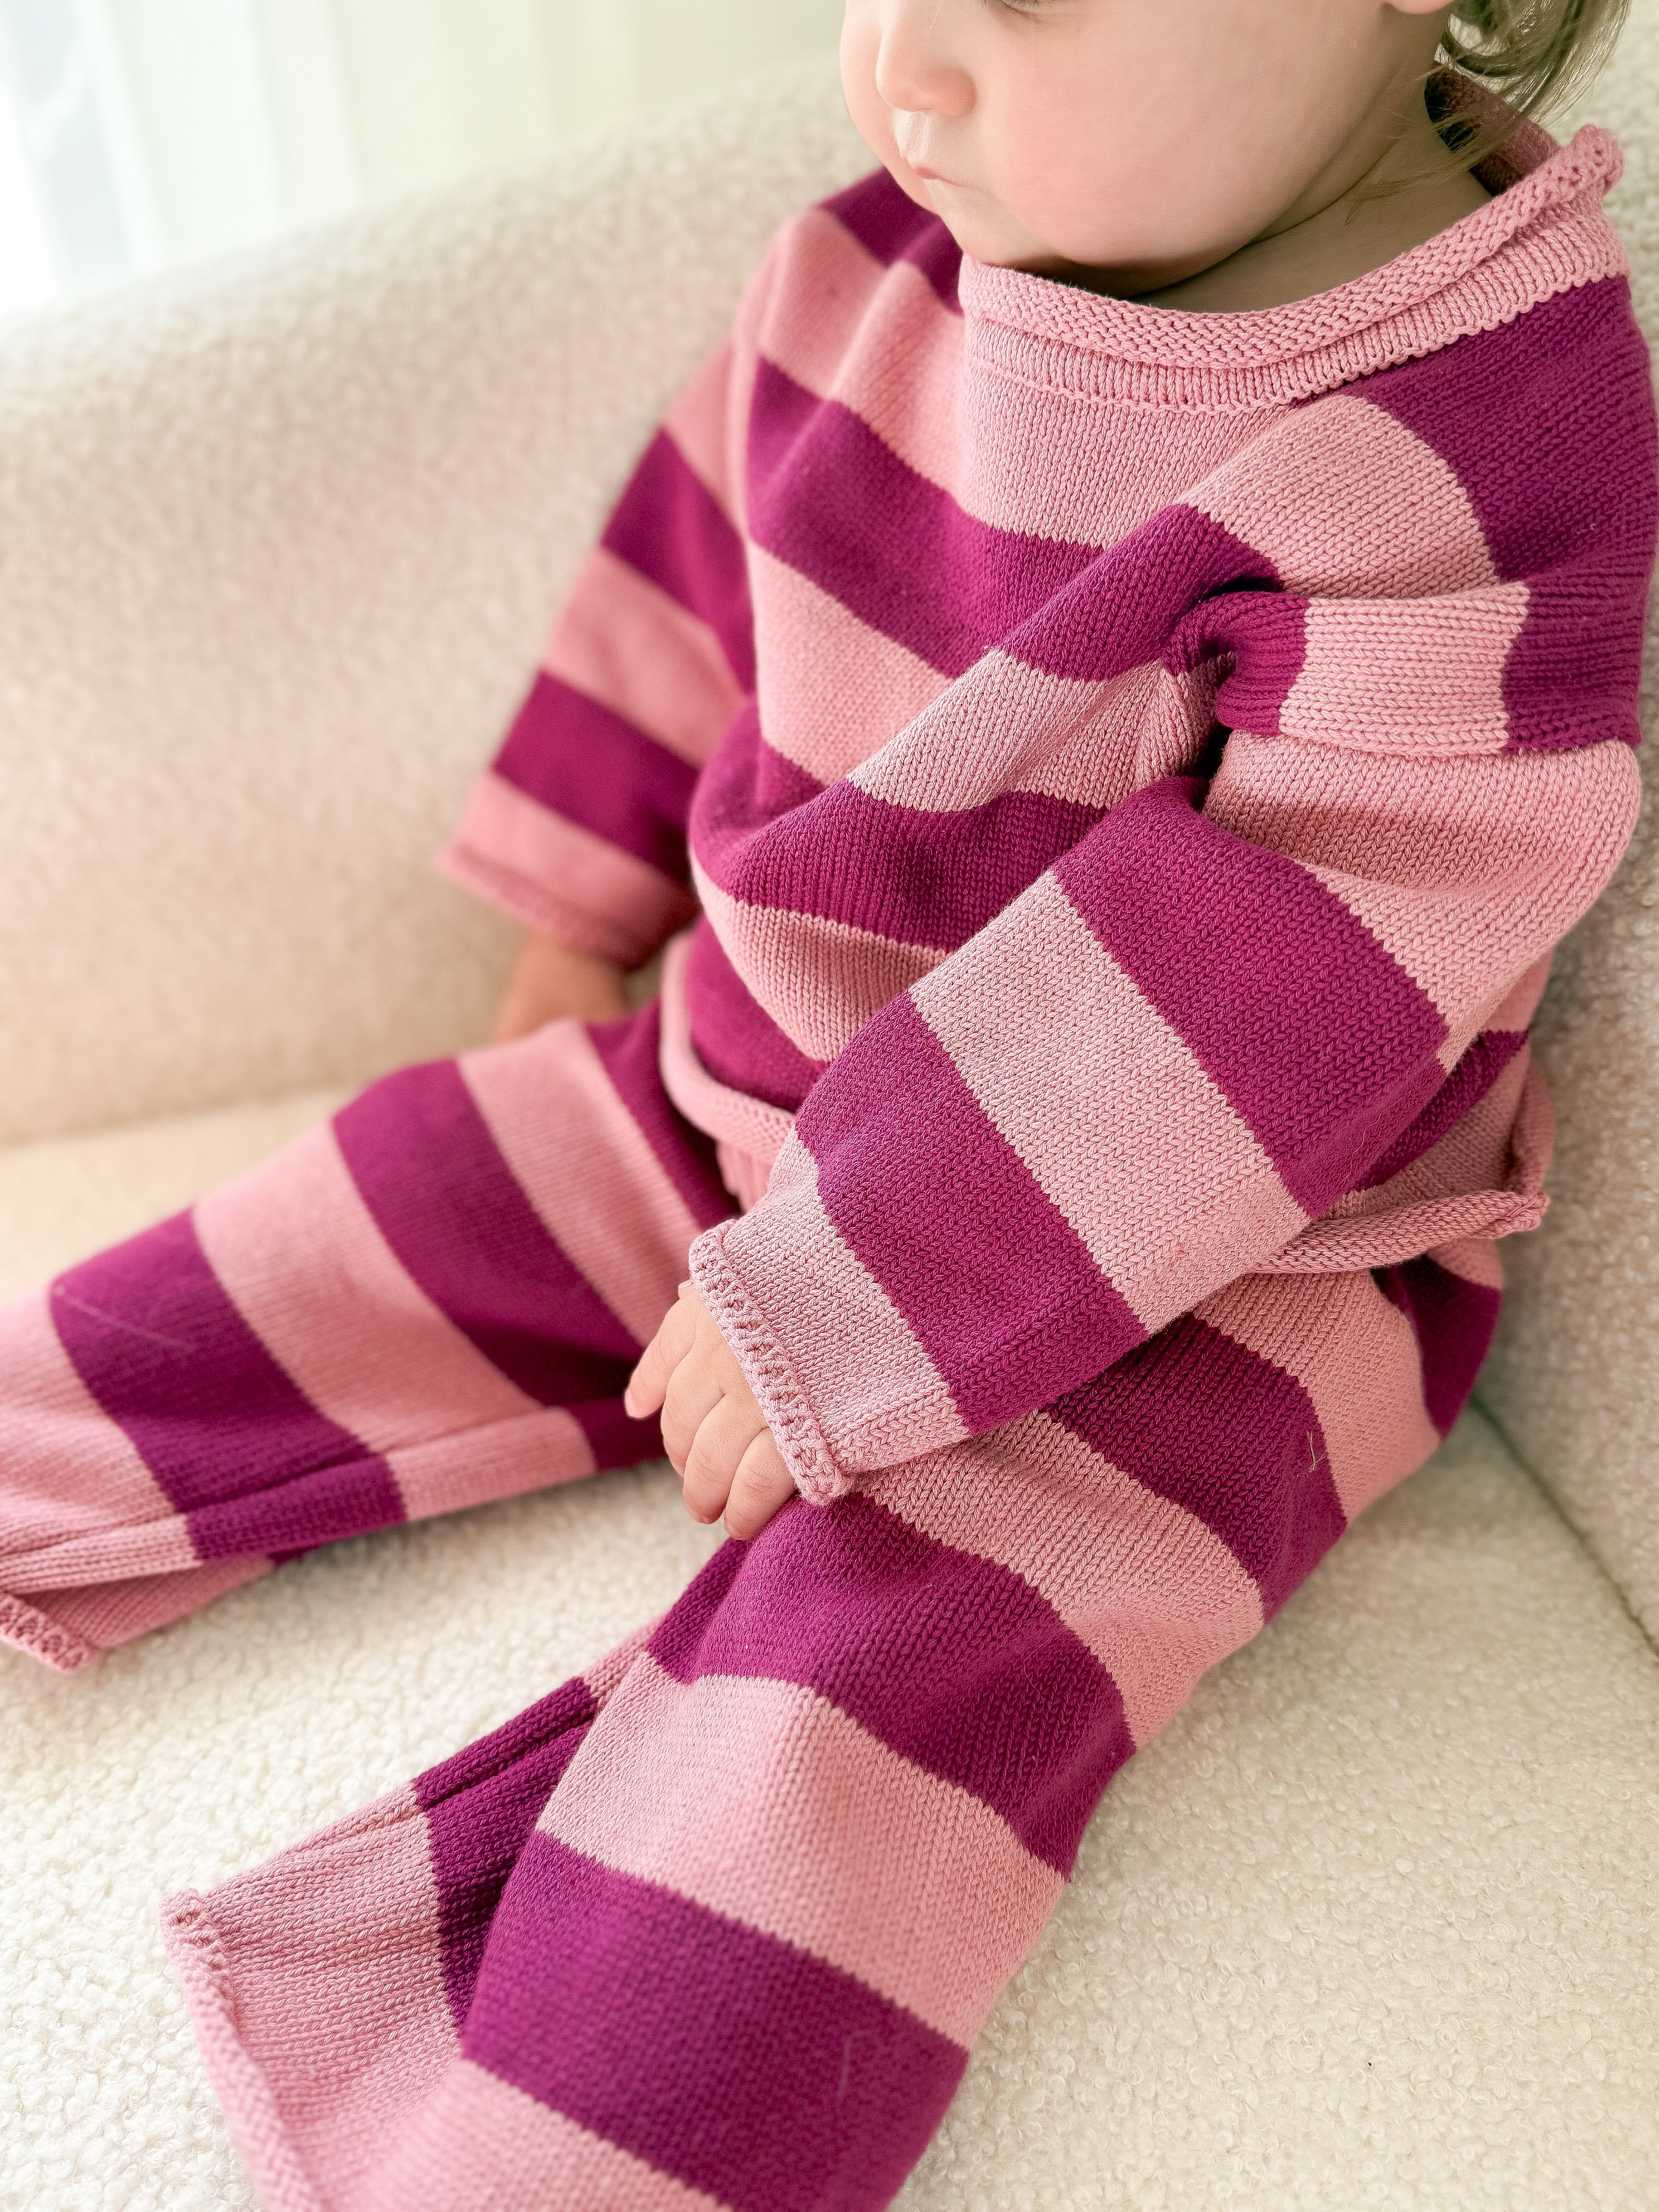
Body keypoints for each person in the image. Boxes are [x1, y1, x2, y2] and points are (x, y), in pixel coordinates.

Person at [4, 2, 1652, 2205]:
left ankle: (576, 2163)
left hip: (1209, 1282)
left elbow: (1285, 963)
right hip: (744, 1084)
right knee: (339, 1226)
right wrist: (575, 915)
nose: (905, 68)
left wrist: (853, 1289)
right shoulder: (884, 262)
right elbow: (706, 565)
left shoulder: (1470, 445)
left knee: (865, 1720)